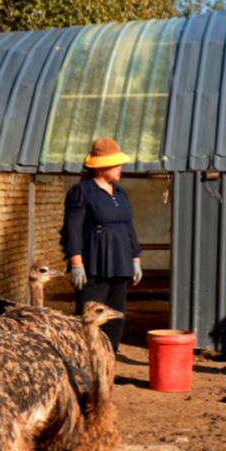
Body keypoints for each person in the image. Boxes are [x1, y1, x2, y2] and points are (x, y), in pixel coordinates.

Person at [60, 137, 142, 352]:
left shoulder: (120, 191)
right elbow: (72, 229)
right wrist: (77, 263)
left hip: (119, 261)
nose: (120, 168)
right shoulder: (82, 191)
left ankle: (108, 364)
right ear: (100, 167)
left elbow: (128, 225)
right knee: (89, 316)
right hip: (93, 263)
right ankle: (86, 364)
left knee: (115, 317)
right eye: (115, 164)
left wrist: (135, 258)